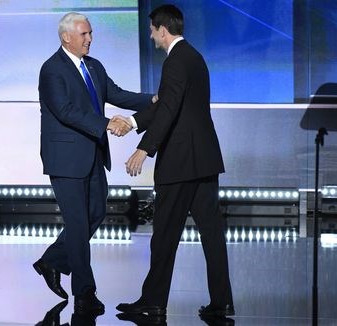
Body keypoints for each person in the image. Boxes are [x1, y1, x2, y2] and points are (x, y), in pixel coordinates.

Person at [115, 4, 235, 318]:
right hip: (204, 159)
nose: (152, 37)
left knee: (165, 235)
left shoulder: (175, 62)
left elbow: (169, 109)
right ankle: (221, 302)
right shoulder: (193, 57)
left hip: (180, 163)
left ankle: (153, 301)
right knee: (211, 234)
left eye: (152, 31)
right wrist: (133, 121)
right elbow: (165, 103)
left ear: (162, 30)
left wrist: (144, 148)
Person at [34, 12, 154, 315]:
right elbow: (65, 110)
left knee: (96, 213)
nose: (90, 39)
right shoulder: (52, 70)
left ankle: (53, 260)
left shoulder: (94, 67)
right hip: (65, 159)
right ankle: (85, 293)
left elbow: (117, 94)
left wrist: (154, 100)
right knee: (76, 224)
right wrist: (106, 124)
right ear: (67, 37)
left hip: (93, 155)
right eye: (84, 34)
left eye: (90, 33)